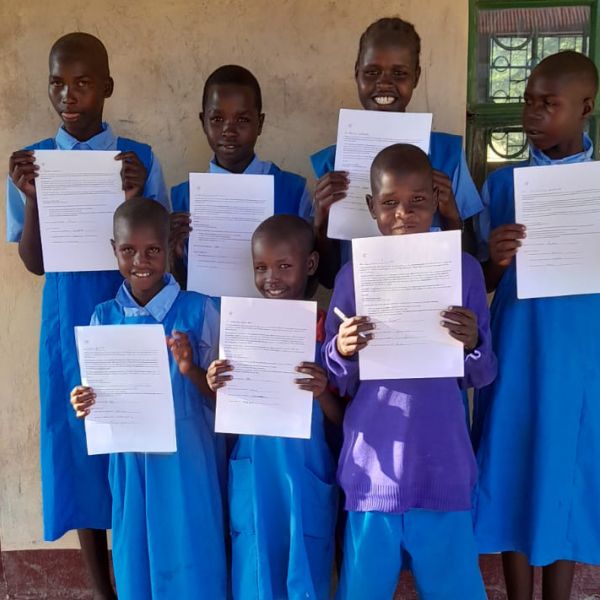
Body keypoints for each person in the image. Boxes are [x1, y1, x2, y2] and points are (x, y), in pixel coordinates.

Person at [6, 32, 168, 600]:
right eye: (57, 82)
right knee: (76, 448)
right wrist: (31, 198)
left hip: (132, 318)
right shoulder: (31, 164)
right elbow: (34, 263)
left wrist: (136, 192)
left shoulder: (139, 159)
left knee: (130, 442)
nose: (68, 94)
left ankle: (143, 578)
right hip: (67, 323)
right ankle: (104, 591)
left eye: (81, 82)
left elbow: (160, 247)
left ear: (107, 87)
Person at [323, 144, 496, 599]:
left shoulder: (464, 271)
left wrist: (473, 342)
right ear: (371, 207)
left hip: (443, 463)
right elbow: (336, 378)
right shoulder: (353, 276)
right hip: (372, 469)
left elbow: (482, 374)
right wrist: (342, 348)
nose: (404, 213)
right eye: (390, 203)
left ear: (437, 202)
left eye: (418, 200)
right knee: (363, 590)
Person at [472, 51, 600, 600]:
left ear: (585, 108)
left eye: (549, 105)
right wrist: (495, 260)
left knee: (567, 464)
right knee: (512, 458)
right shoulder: (504, 185)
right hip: (518, 346)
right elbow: (475, 280)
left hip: (580, 350)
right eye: (527, 102)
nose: (533, 114)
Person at [70, 198, 226, 600]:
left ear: (173, 247)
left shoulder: (200, 310)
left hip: (187, 462)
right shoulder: (102, 318)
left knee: (193, 557)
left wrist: (191, 368)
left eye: (153, 249)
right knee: (134, 558)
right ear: (114, 250)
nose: (141, 260)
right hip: (129, 463)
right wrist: (84, 400)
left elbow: (223, 401)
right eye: (128, 250)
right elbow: (97, 396)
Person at [207, 214, 341, 599]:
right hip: (255, 471)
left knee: (305, 569)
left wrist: (322, 392)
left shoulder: (328, 333)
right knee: (254, 572)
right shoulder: (240, 330)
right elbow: (229, 413)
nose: (272, 278)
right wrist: (217, 382)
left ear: (310, 265)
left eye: (284, 266)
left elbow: (344, 420)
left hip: (306, 473)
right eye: (261, 267)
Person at [311, 17, 483, 285]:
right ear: (357, 72)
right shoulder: (334, 162)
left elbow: (469, 260)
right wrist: (321, 223)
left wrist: (450, 212)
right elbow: (330, 279)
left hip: (430, 301)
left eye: (399, 73)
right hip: (362, 309)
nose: (384, 84)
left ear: (416, 76)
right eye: (372, 72)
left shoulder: (447, 154)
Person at [169, 65, 313, 286]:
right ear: (203, 122)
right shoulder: (183, 198)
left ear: (260, 123)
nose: (229, 130)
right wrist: (174, 256)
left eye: (243, 120)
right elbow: (182, 285)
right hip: (205, 318)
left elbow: (310, 281)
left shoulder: (293, 191)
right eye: (217, 119)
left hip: (274, 317)